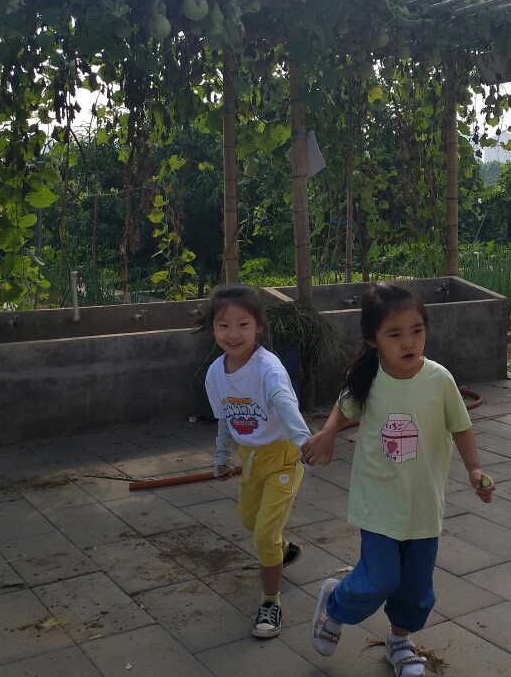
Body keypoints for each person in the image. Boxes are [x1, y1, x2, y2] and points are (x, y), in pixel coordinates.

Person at [301, 282, 495, 677]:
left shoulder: (439, 379)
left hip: (423, 502)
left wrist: (475, 469)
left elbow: (461, 426)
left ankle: (399, 641)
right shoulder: (369, 377)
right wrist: (327, 433)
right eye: (394, 334)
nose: (408, 342)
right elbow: (344, 406)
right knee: (380, 579)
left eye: (416, 331)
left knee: (415, 589)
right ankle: (335, 604)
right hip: (378, 499)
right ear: (373, 339)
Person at [201, 284, 311, 639]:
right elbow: (224, 419)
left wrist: (305, 444)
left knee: (264, 533)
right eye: (223, 325)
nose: (233, 334)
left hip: (283, 457)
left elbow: (286, 406)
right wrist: (221, 456)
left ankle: (270, 603)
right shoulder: (216, 373)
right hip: (250, 458)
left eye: (242, 324)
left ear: (258, 326)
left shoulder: (268, 369)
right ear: (213, 329)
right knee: (250, 521)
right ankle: (284, 551)